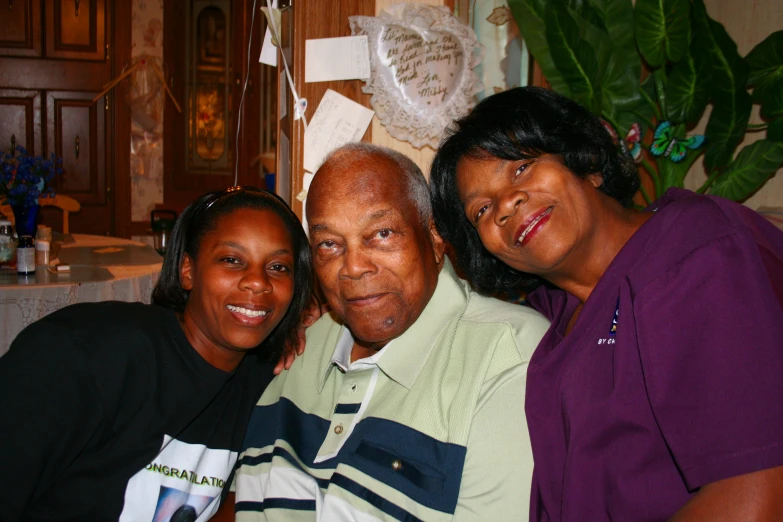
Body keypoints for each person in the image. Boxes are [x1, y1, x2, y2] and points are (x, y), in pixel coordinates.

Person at [429, 86, 783, 521]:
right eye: (481, 210)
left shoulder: (694, 253)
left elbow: (757, 494)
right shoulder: (553, 314)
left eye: (521, 168)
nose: (505, 205)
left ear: (586, 163)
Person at [231, 143, 549, 521]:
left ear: (433, 237)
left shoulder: (506, 355)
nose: (353, 267)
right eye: (329, 244)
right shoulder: (302, 347)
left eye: (381, 234)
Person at [0, 187, 313, 521]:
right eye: (232, 260)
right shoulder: (81, 356)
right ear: (187, 270)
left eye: (278, 267)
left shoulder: (265, 381)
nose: (257, 283)